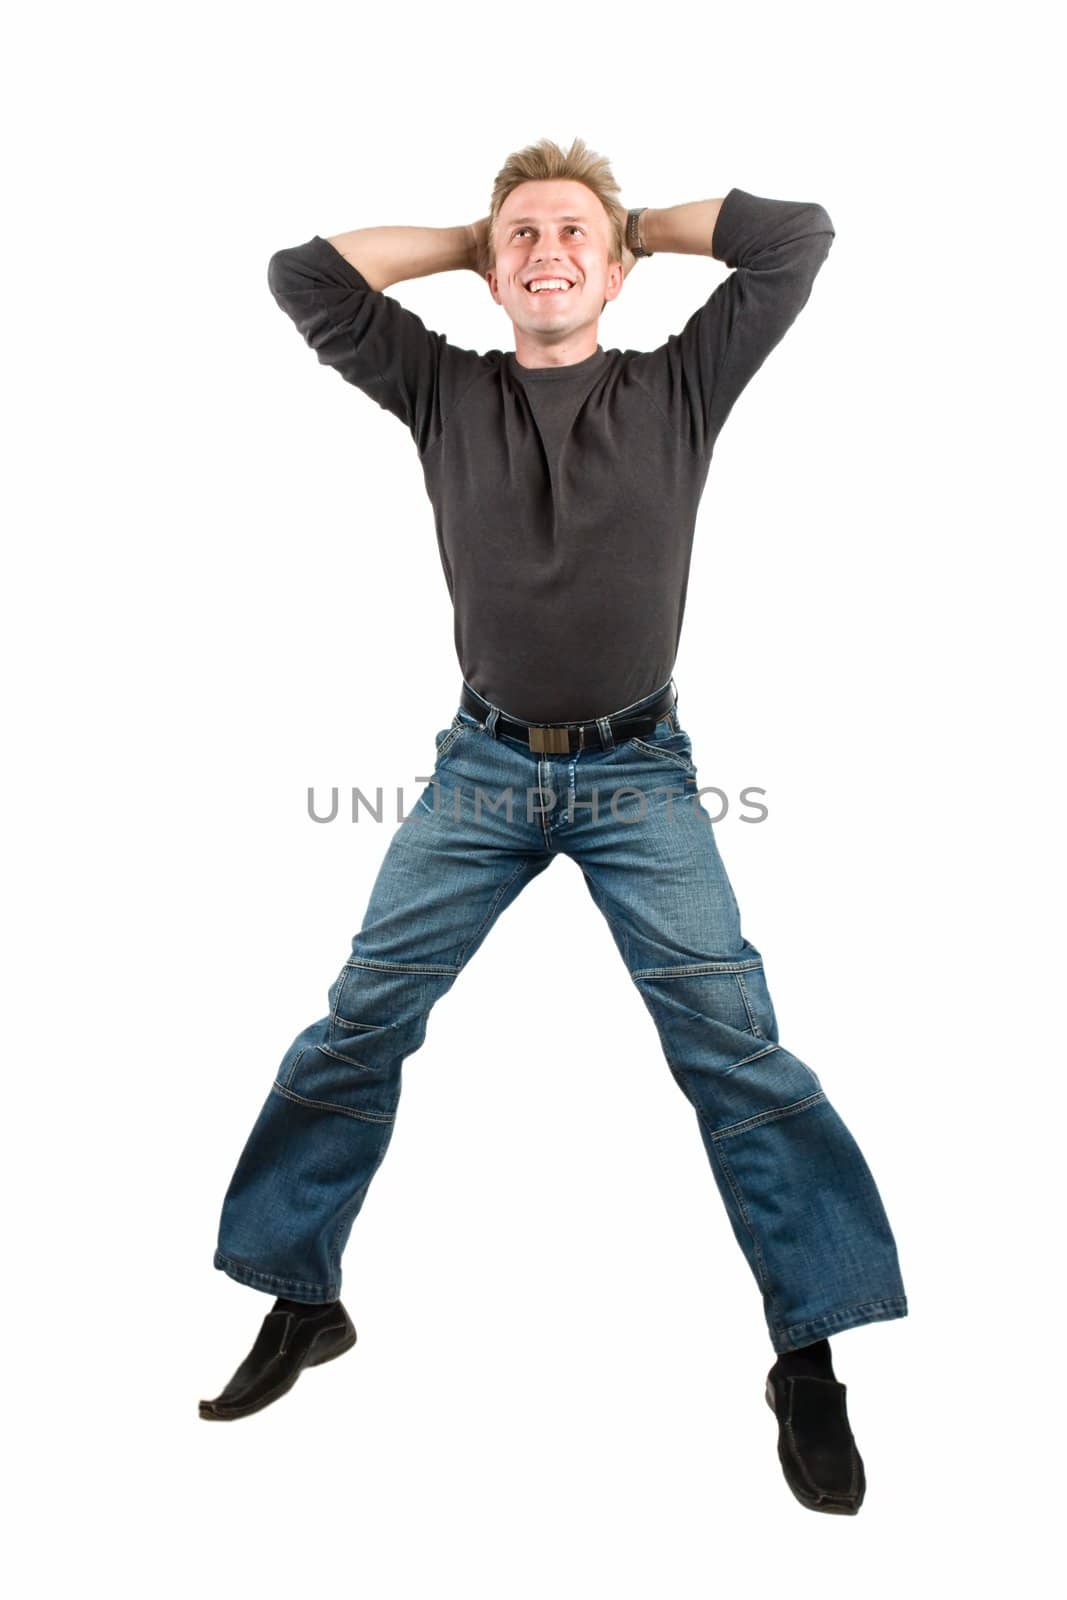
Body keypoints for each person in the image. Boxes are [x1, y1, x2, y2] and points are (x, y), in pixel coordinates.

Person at [200, 136, 908, 1514]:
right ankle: (302, 1291)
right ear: (491, 265)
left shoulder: (679, 385)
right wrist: (471, 244)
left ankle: (807, 1357)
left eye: (570, 234)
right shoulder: (442, 387)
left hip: (639, 776)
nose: (544, 250)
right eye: (520, 234)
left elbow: (797, 235)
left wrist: (629, 219)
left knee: (734, 1047)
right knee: (361, 1018)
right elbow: (303, 274)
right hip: (481, 771)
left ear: (619, 264)